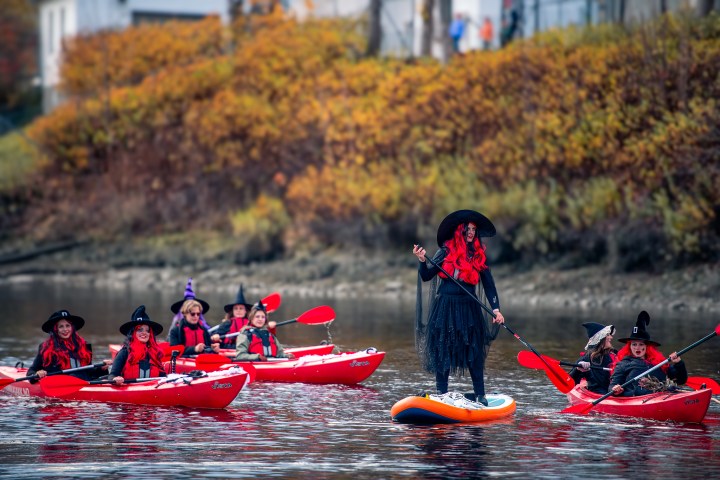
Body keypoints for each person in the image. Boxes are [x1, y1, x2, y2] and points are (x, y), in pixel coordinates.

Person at [412, 210, 505, 406]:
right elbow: (427, 276)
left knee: (474, 351)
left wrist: (496, 310)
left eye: (473, 229)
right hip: (445, 307)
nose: (471, 232)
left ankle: (480, 395)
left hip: (469, 308)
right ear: (459, 231)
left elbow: (489, 285)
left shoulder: (478, 255)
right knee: (442, 349)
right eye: (467, 229)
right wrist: (422, 260)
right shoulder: (445, 251)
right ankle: (442, 395)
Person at [609, 311, 688, 397]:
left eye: (641, 344)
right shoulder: (623, 364)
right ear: (629, 346)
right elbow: (611, 387)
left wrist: (679, 363)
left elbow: (681, 380)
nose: (637, 348)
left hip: (662, 396)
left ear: (647, 347)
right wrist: (616, 389)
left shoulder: (659, 363)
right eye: (634, 344)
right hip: (636, 400)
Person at [27, 310, 110, 381]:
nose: (65, 330)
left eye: (68, 326)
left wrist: (102, 368)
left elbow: (89, 371)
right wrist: (38, 374)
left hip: (83, 382)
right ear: (55, 330)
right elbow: (31, 371)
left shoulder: (84, 345)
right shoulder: (45, 347)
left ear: (72, 328)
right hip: (59, 384)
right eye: (61, 327)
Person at [109, 305, 167, 385]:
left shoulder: (155, 353)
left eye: (147, 331)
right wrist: (115, 378)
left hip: (152, 390)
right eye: (139, 330)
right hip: (129, 391)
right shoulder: (124, 352)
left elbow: (163, 376)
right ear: (132, 333)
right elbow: (112, 375)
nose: (144, 333)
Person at [568, 322, 616, 393]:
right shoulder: (585, 359)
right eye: (608, 335)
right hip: (598, 394)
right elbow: (570, 383)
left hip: (615, 391)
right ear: (600, 339)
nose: (611, 337)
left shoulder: (614, 355)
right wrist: (577, 370)